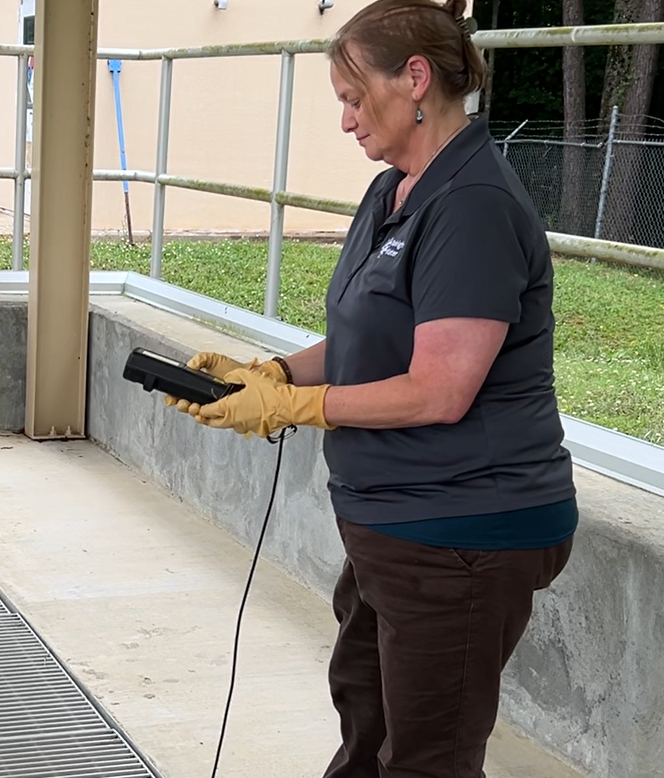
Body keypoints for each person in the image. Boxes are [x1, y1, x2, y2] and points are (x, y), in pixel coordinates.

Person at [165, 0, 578, 775]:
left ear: (415, 79)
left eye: (355, 99)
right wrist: (276, 373)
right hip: (393, 524)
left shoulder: (473, 207)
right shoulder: (396, 191)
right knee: (364, 712)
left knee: (426, 758)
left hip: (464, 529)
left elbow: (439, 389)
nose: (347, 121)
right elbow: (370, 337)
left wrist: (293, 407)